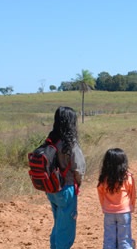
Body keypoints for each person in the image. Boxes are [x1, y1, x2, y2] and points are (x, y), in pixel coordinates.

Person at [46, 106, 86, 249]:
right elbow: (79, 170)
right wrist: (78, 184)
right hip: (67, 189)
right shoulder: (71, 144)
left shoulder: (51, 141)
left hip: (51, 189)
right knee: (66, 232)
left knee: (58, 225)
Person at [97, 148, 136, 249]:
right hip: (124, 211)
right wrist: (131, 206)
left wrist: (104, 206)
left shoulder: (103, 178)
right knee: (125, 240)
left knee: (109, 240)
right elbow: (132, 194)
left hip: (109, 212)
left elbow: (101, 194)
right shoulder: (128, 177)